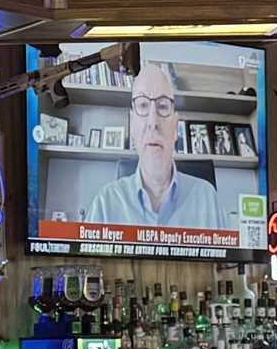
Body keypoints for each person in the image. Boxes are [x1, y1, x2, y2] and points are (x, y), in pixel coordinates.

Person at [82, 59, 229, 231]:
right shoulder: (105, 204)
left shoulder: (208, 199)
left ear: (175, 127)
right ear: (132, 125)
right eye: (143, 105)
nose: (153, 122)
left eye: (163, 106)